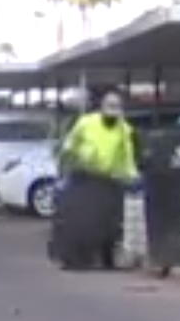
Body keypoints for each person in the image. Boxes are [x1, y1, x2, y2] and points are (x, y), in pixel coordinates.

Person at [49, 87, 139, 271]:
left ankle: (107, 258)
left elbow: (127, 156)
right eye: (110, 106)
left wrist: (131, 175)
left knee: (109, 220)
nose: (113, 111)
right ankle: (73, 258)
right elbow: (69, 145)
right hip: (83, 176)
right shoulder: (86, 123)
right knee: (78, 219)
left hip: (108, 178)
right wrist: (67, 161)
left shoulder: (124, 129)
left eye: (117, 107)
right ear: (102, 107)